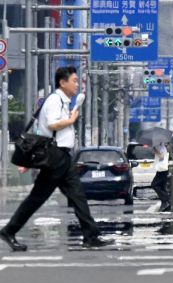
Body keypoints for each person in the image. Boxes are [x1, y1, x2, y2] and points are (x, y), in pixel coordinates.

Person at [0, 66, 114, 252]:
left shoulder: (62, 101)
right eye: (74, 80)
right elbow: (53, 124)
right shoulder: (54, 100)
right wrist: (70, 120)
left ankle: (91, 236)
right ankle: (9, 230)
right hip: (55, 157)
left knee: (77, 196)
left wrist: (70, 116)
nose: (77, 84)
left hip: (62, 158)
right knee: (39, 198)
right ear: (62, 82)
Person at [151, 142, 170, 212]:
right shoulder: (161, 146)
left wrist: (156, 150)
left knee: (154, 184)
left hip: (162, 170)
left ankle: (166, 199)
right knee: (161, 186)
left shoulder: (161, 147)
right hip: (161, 169)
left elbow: (161, 156)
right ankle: (165, 203)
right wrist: (154, 151)